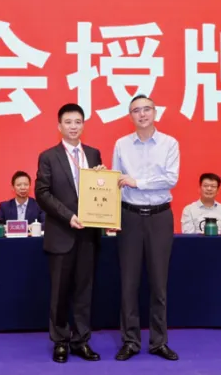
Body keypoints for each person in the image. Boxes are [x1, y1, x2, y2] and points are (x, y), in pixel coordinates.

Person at [34, 103, 104, 363]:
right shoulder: (48, 156)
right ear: (59, 126)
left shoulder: (94, 154)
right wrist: (68, 216)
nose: (73, 126)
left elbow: (101, 190)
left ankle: (81, 341)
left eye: (78, 122)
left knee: (85, 291)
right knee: (60, 292)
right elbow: (42, 193)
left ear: (83, 125)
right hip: (62, 233)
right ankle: (61, 341)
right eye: (68, 122)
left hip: (89, 235)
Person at [112, 95, 179, 362]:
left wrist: (137, 182)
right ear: (130, 116)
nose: (142, 114)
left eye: (146, 109)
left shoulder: (169, 143)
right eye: (136, 111)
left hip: (159, 217)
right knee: (128, 284)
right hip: (129, 217)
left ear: (155, 112)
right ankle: (130, 341)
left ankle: (158, 342)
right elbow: (117, 181)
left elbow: (170, 179)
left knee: (158, 284)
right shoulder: (121, 144)